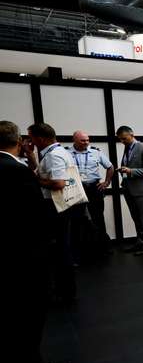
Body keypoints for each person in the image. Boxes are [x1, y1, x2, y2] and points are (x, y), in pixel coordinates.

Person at [1, 121, 69, 363]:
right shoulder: (17, 171)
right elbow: (34, 214)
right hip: (26, 252)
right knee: (30, 312)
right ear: (19, 141)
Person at [27, 122, 77, 303]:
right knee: (61, 246)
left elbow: (58, 183)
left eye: (31, 137)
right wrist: (31, 157)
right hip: (62, 205)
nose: (29, 141)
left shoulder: (54, 155)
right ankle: (65, 289)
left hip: (55, 207)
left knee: (60, 248)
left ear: (40, 138)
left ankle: (65, 291)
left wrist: (36, 180)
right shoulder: (59, 152)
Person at [68, 130, 114, 260]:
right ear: (75, 140)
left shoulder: (96, 152)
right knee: (76, 219)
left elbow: (110, 167)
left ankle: (104, 249)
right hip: (76, 188)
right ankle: (77, 252)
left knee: (98, 218)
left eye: (87, 140)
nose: (86, 142)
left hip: (94, 188)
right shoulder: (66, 153)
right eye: (83, 140)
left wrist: (106, 182)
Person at [116, 126, 143, 256]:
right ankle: (141, 242)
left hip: (141, 190)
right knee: (136, 218)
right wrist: (124, 170)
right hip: (128, 188)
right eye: (120, 139)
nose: (122, 141)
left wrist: (130, 171)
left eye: (124, 138)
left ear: (132, 134)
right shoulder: (127, 148)